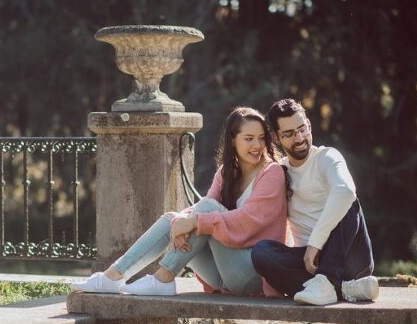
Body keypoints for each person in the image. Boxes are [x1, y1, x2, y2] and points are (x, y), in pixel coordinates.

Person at [71, 106, 288, 297]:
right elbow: (200, 210)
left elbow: (248, 221)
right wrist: (182, 221)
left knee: (203, 212)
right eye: (249, 138)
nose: (257, 145)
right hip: (222, 275)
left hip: (251, 274)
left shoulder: (272, 172)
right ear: (233, 139)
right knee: (174, 218)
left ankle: (163, 277)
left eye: (261, 138)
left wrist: (194, 222)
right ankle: (114, 275)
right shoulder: (227, 173)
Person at [251, 98, 379, 306]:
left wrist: (315, 243)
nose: (299, 138)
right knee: (261, 253)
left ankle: (328, 282)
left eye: (302, 129)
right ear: (276, 137)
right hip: (310, 264)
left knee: (349, 202)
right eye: (289, 134)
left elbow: (345, 191)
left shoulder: (327, 157)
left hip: (351, 259)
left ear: (309, 125)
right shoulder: (278, 172)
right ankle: (343, 289)